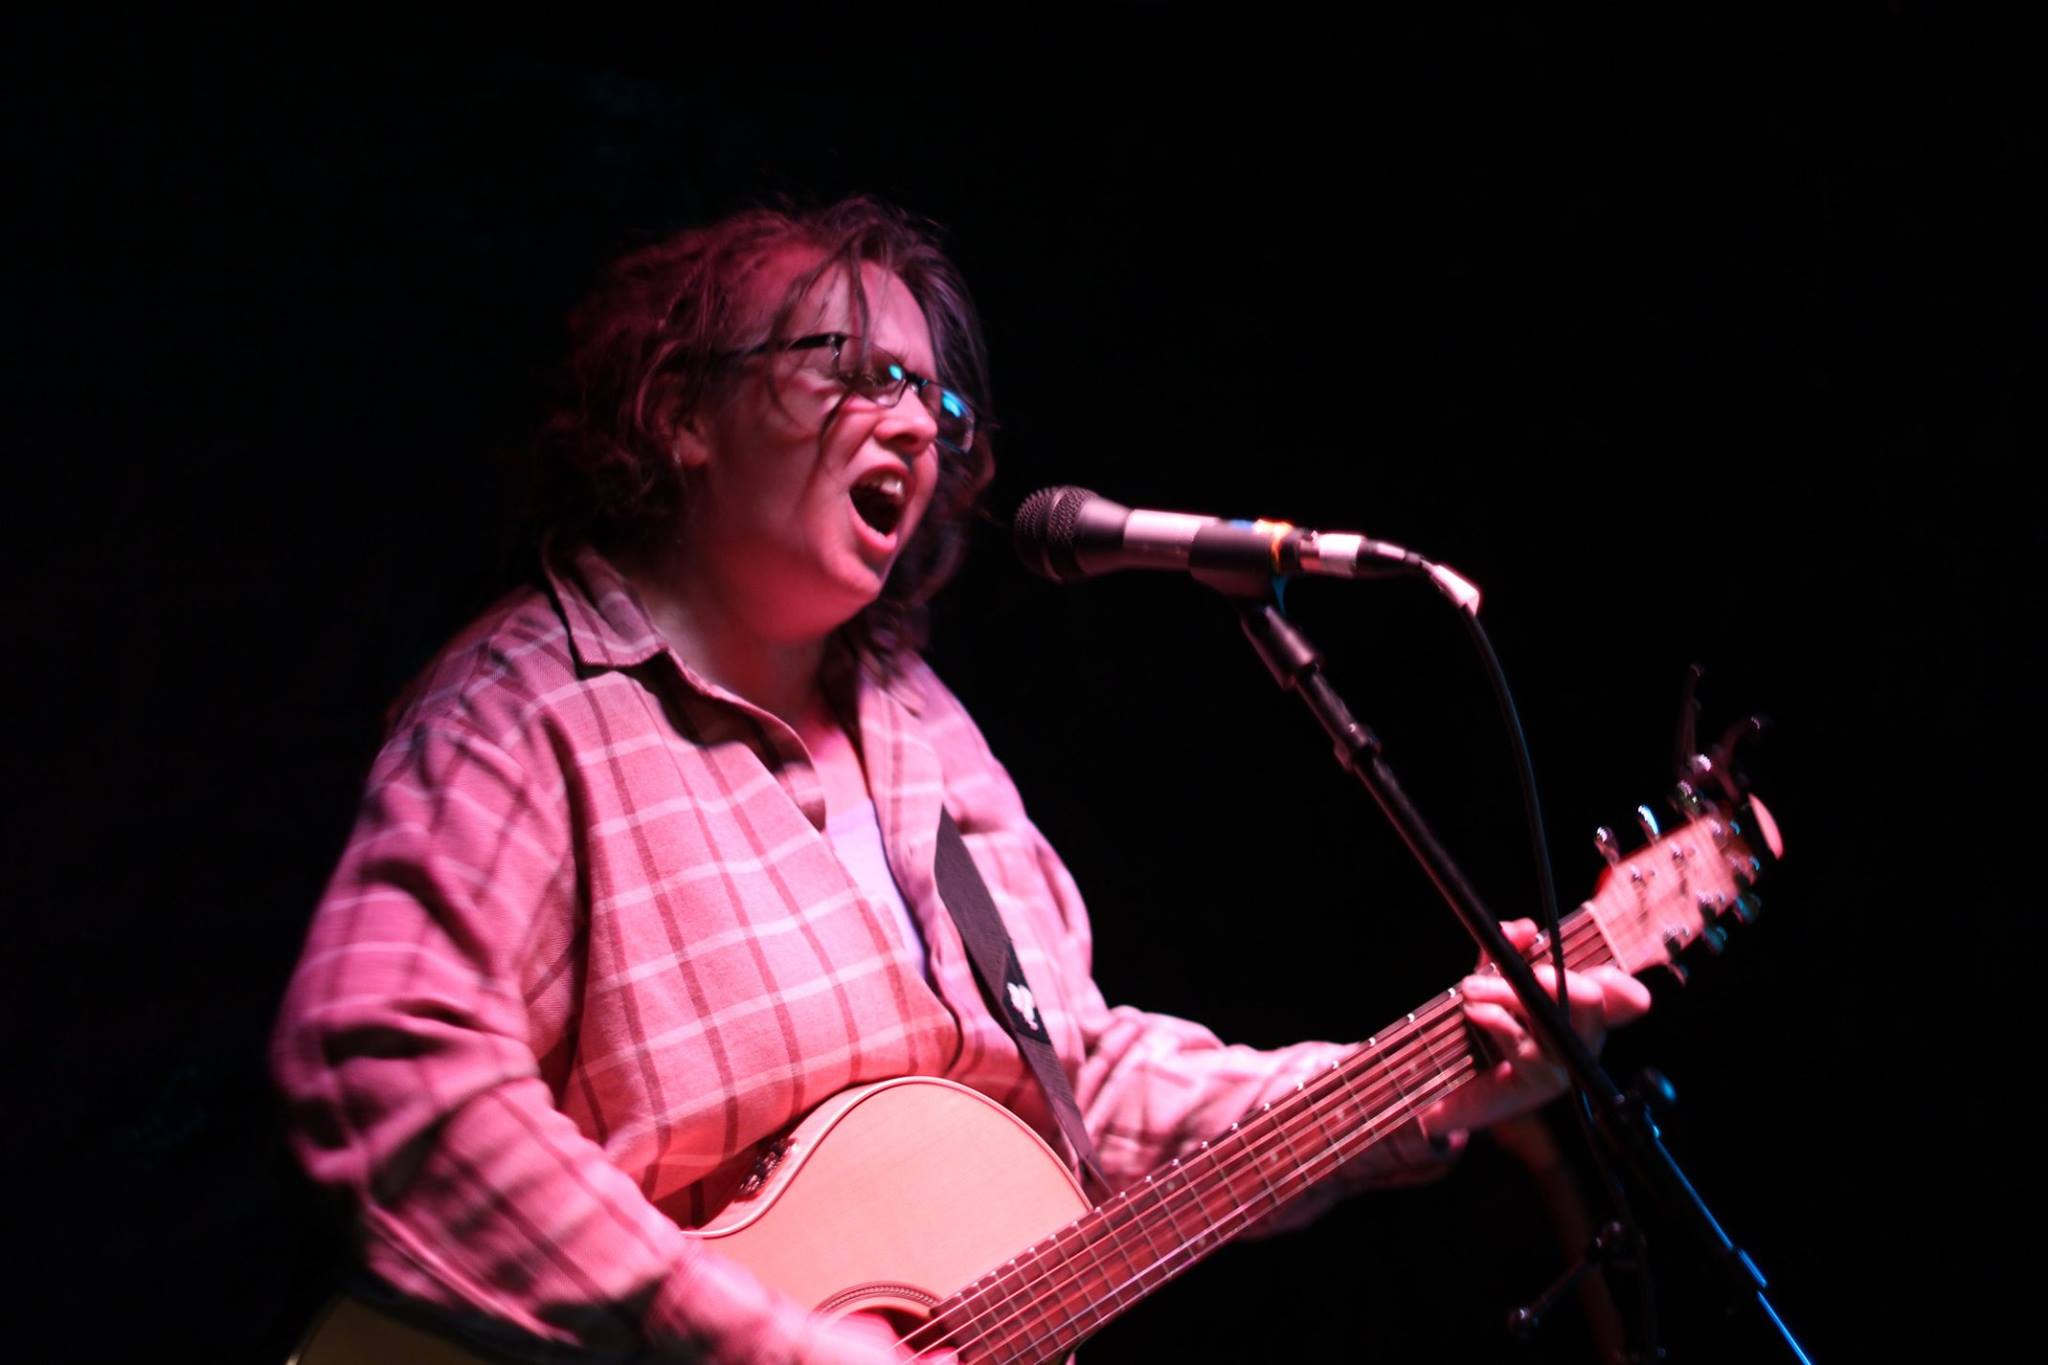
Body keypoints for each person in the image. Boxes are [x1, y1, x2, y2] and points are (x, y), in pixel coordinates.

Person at [273, 196, 1650, 1362]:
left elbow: (1082, 1085)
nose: (917, 428)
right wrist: (761, 1341)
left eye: (932, 397)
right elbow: (386, 1065)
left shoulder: (923, 727)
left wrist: (1412, 1086)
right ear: (683, 413)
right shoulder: (528, 711)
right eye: (851, 367)